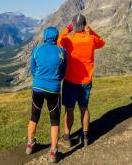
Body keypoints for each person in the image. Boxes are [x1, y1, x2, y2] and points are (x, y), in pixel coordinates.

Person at [57, 13, 105, 147]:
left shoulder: (69, 40)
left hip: (70, 81)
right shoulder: (91, 39)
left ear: (74, 25)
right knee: (84, 108)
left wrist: (68, 28)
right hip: (86, 82)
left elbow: (58, 39)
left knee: (69, 109)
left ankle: (67, 138)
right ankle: (85, 137)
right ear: (84, 25)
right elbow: (102, 42)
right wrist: (91, 31)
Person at [26, 27, 67, 163]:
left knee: (34, 116)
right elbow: (63, 71)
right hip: (53, 90)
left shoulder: (37, 49)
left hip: (37, 87)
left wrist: (39, 79)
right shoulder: (62, 52)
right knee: (54, 121)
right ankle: (53, 152)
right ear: (56, 38)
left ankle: (30, 144)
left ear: (45, 37)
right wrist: (55, 80)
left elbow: (33, 68)